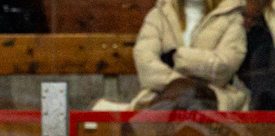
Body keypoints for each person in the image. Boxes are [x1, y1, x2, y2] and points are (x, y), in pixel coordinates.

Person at [96, 0, 248, 111]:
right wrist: (180, 85)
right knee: (176, 102)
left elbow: (223, 67)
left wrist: (176, 57)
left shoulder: (231, 18)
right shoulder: (158, 15)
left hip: (212, 98)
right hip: (162, 96)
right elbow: (146, 66)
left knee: (191, 105)